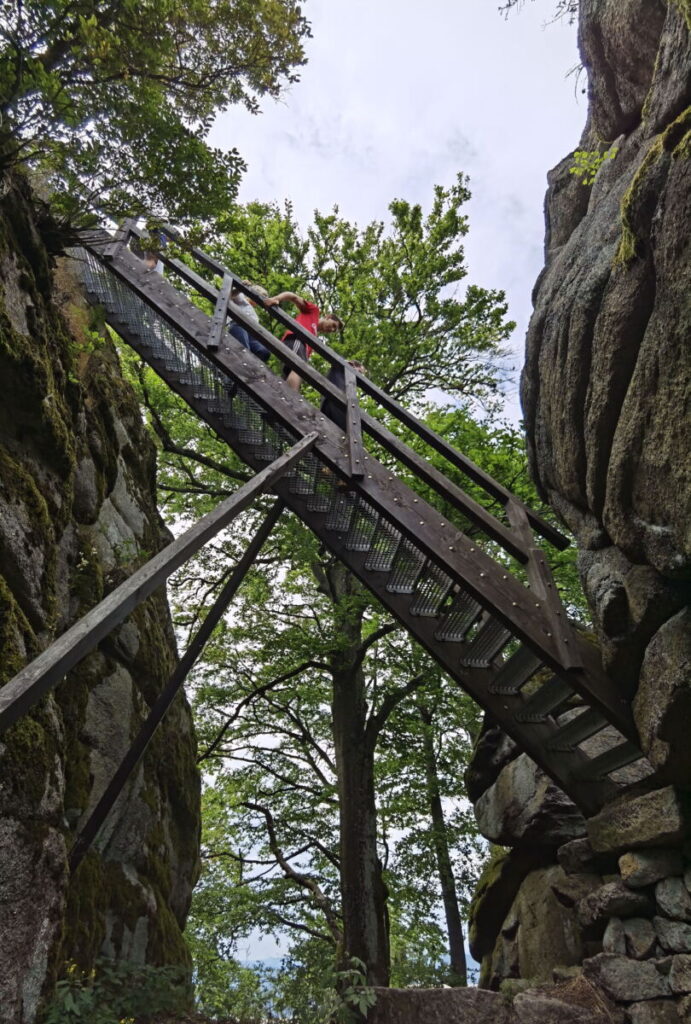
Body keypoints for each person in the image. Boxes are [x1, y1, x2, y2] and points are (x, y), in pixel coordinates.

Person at [265, 290, 343, 390]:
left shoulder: (314, 336)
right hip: (296, 340)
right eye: (333, 325)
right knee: (299, 369)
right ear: (328, 317)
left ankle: (283, 400)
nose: (331, 329)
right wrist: (276, 298)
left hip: (299, 347)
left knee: (290, 376)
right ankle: (291, 400)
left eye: (333, 330)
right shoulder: (314, 311)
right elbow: (293, 296)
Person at [227, 281, 270, 362]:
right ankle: (245, 365)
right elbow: (228, 296)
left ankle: (253, 368)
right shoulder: (241, 297)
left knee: (264, 352)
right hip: (238, 326)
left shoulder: (255, 316)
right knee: (245, 349)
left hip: (251, 335)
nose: (260, 302)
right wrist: (241, 288)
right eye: (261, 298)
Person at [321, 359, 366, 430]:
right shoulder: (339, 369)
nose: (360, 375)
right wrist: (347, 363)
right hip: (334, 404)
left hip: (336, 406)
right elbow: (335, 360)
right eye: (359, 372)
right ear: (353, 366)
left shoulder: (349, 381)